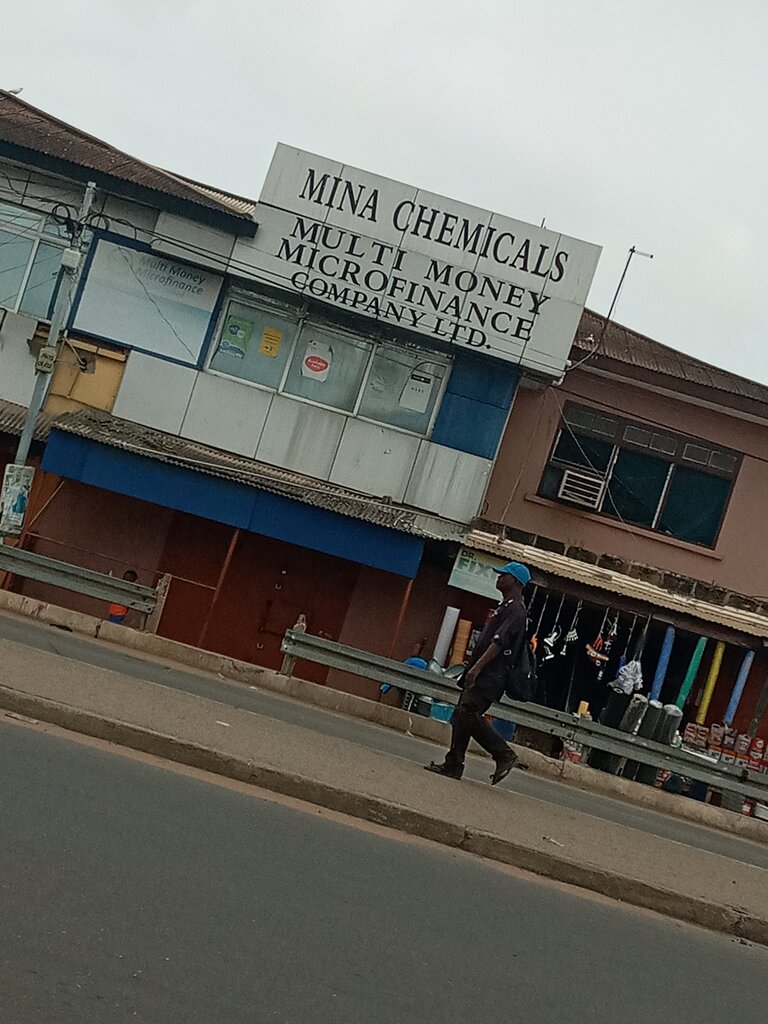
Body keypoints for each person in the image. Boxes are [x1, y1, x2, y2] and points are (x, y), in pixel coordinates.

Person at [425, 561, 531, 784]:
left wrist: (477, 668)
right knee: (461, 715)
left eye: (504, 575)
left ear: (516, 582)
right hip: (481, 672)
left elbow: (498, 643)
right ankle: (454, 764)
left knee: (469, 712)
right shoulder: (506, 605)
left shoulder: (516, 609)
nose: (499, 578)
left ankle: (504, 754)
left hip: (491, 675)